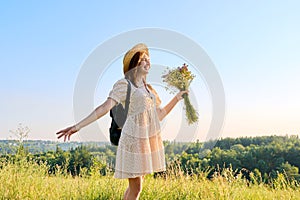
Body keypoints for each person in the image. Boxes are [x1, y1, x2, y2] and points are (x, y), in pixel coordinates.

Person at [56, 43, 188, 200]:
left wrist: (177, 97)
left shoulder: (149, 89)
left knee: (135, 187)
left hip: (146, 141)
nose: (148, 62)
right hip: (132, 141)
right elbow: (104, 107)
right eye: (143, 60)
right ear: (134, 65)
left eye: (148, 59)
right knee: (136, 188)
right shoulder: (124, 85)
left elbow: (159, 115)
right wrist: (77, 126)